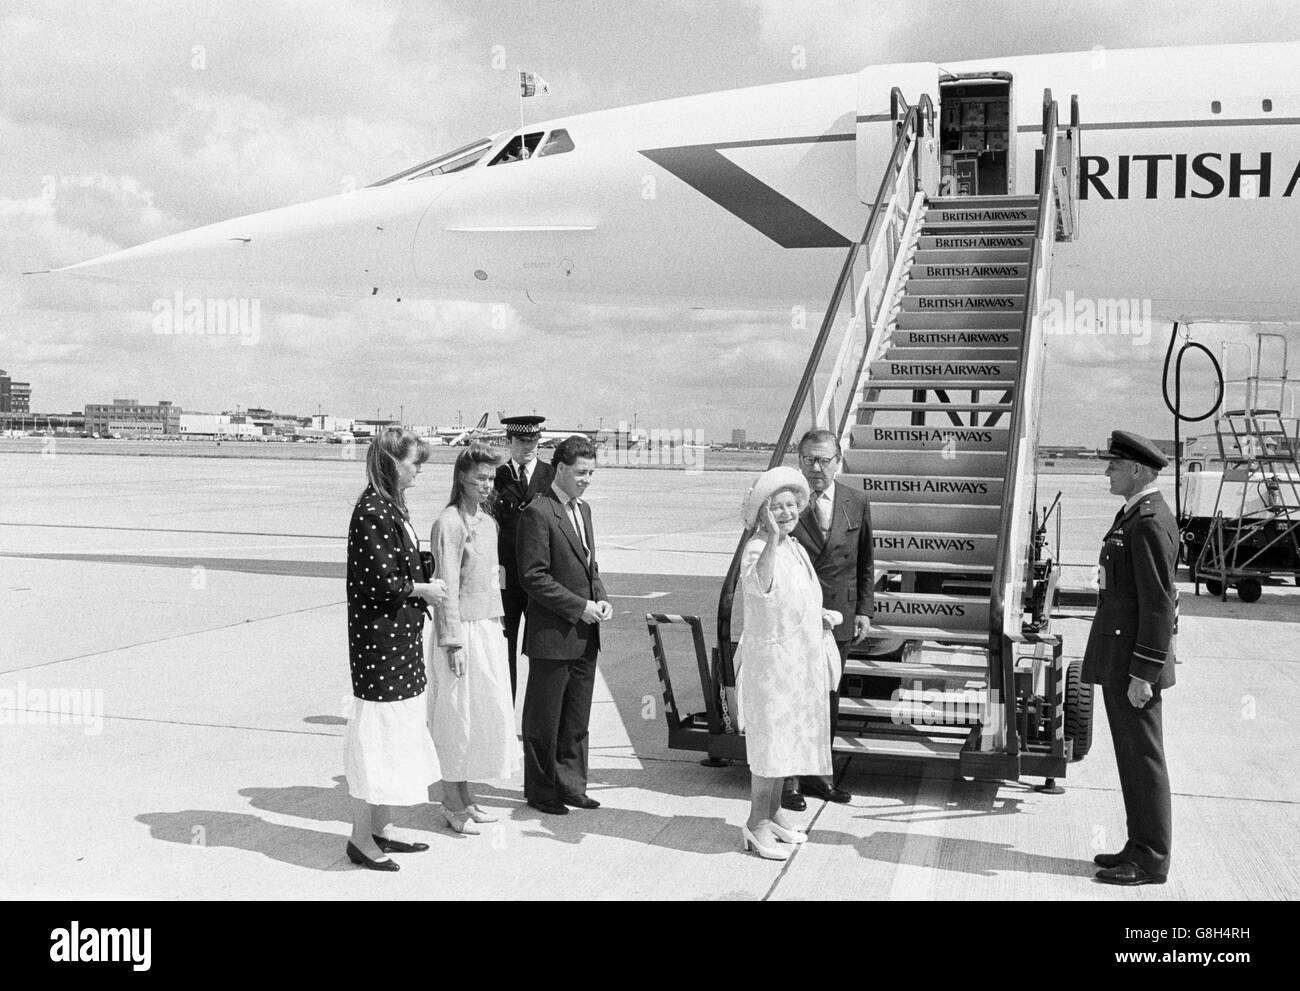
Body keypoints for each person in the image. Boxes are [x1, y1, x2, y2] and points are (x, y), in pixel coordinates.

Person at [343, 427, 448, 872]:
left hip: (398, 641)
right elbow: (380, 583)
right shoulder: (372, 510)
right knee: (377, 739)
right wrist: (425, 588)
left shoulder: (392, 506)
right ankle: (358, 837)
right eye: (414, 462)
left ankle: (380, 829)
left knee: (397, 736)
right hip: (380, 645)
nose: (420, 468)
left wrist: (422, 574)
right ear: (391, 463)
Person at [1084, 430, 1178, 886]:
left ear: (1138, 470)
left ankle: (1151, 858)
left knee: (1143, 758)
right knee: (1131, 756)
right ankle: (1138, 844)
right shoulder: (1135, 515)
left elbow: (1159, 604)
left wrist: (1143, 672)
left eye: (1114, 465)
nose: (1107, 471)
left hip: (1134, 665)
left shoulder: (1148, 521)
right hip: (1122, 657)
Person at [734, 466, 841, 860]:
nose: (785, 512)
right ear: (761, 513)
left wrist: (821, 615)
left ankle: (774, 812)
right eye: (775, 507)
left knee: (789, 742)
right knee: (770, 747)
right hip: (771, 667)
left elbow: (795, 600)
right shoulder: (758, 549)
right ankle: (755, 824)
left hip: (797, 662)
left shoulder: (794, 548)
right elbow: (761, 589)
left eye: (790, 505)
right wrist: (773, 538)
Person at [427, 443, 523, 835]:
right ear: (462, 477)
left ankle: (465, 797)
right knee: (455, 718)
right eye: (480, 477)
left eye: (491, 478)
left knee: (479, 717)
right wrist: (452, 642)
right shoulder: (449, 522)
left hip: (486, 627)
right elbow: (444, 583)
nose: (487, 484)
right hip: (461, 631)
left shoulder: (487, 521)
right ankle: (450, 802)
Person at [517, 434, 612, 815]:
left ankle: (571, 784)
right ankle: (541, 791)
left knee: (576, 717)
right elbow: (533, 576)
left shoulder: (583, 509)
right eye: (580, 472)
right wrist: (580, 607)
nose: (586, 479)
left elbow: (590, 565)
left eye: (591, 473)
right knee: (544, 718)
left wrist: (601, 597)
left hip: (586, 632)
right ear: (559, 469)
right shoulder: (538, 512)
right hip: (553, 636)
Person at [786, 428, 874, 810]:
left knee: (828, 700)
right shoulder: (787, 503)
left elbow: (865, 562)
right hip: (796, 615)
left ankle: (821, 777)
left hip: (839, 615)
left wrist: (865, 611)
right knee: (793, 699)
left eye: (824, 460)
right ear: (799, 461)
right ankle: (789, 783)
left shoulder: (856, 502)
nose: (816, 468)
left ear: (838, 462)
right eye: (809, 460)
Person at [493, 415, 556, 700]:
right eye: (521, 440)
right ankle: (506, 714)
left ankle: (535, 719)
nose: (528, 446)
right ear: (508, 442)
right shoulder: (495, 476)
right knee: (503, 653)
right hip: (504, 580)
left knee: (542, 651)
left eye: (533, 440)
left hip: (538, 579)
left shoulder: (551, 475)